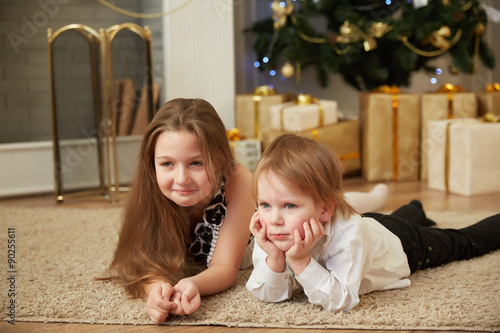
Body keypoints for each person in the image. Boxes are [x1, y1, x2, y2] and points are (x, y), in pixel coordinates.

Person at [105, 98, 391, 323]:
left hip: (264, 236)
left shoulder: (238, 178)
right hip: (288, 213)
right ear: (152, 162)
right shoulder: (151, 190)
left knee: (331, 206)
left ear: (220, 160)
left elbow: (225, 269)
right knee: (312, 203)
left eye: (196, 163)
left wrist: (189, 284)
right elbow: (140, 260)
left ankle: (373, 198)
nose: (180, 179)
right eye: (167, 164)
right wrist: (154, 289)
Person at [246, 133, 500, 312]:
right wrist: (275, 260)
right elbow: (268, 296)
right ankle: (414, 208)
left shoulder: (350, 233)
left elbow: (342, 300)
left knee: (463, 242)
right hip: (375, 228)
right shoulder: (273, 232)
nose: (275, 219)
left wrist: (301, 261)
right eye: (265, 205)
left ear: (325, 208)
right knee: (394, 220)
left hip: (405, 245)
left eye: (289, 206)